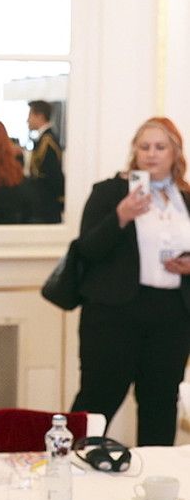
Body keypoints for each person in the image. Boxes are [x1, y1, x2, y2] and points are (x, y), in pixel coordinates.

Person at [68, 117, 190, 446]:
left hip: (171, 318)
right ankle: (68, 476)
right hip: (114, 316)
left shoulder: (185, 197)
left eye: (160, 147)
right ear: (134, 152)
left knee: (161, 407)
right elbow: (87, 250)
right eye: (144, 146)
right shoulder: (109, 192)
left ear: (175, 153)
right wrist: (121, 216)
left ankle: (156, 490)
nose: (151, 154)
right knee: (97, 403)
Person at [24, 99, 64, 223]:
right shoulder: (44, 139)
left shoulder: (47, 141)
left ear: (39, 116)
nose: (27, 120)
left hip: (46, 204)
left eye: (30, 115)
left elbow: (53, 174)